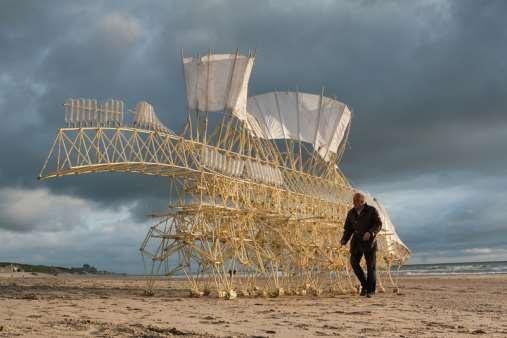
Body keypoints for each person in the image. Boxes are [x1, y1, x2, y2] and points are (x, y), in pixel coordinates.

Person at [340, 192, 382, 297]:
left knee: (371, 267)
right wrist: (344, 240)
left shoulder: (371, 210)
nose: (354, 203)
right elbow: (348, 229)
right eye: (354, 201)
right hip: (356, 243)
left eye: (356, 201)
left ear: (362, 201)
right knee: (354, 263)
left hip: (370, 243)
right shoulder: (351, 213)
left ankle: (370, 291)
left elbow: (378, 224)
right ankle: (365, 285)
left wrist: (371, 232)